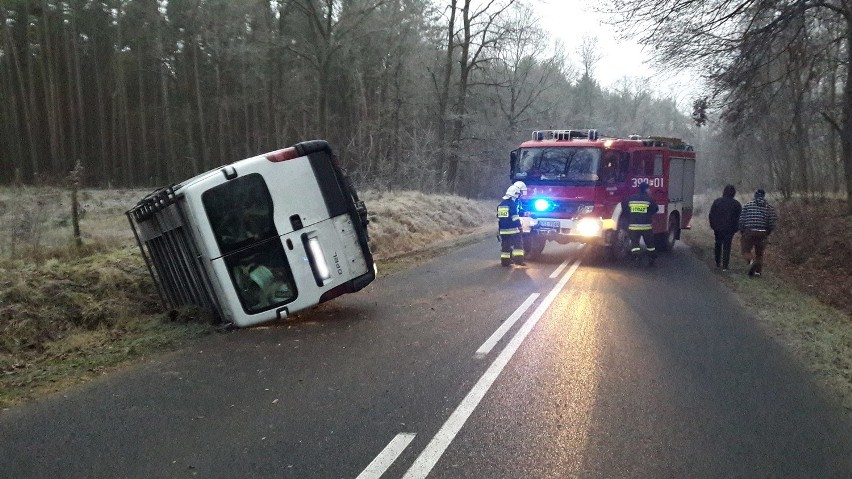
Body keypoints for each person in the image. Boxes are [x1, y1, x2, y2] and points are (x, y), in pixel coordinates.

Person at [739, 188, 778, 277]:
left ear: (755, 195)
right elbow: (772, 222)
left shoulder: (748, 205)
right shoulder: (769, 207)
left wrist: (742, 231)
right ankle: (758, 272)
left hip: (749, 231)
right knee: (759, 253)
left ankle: (751, 261)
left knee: (745, 250)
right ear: (764, 196)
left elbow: (741, 220)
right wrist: (767, 232)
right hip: (763, 232)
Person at [621, 182, 659, 266]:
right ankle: (652, 259)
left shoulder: (630, 198)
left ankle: (637, 257)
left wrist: (630, 215)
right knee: (650, 245)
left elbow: (623, 206)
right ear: (646, 189)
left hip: (633, 227)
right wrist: (648, 214)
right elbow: (655, 209)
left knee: (635, 244)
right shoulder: (649, 199)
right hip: (646, 227)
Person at [708, 184, 742, 271]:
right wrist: (736, 228)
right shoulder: (737, 204)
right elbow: (739, 218)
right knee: (727, 246)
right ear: (733, 193)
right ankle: (725, 266)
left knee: (718, 244)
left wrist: (713, 225)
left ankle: (717, 262)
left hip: (718, 228)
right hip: (730, 229)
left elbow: (711, 215)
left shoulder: (717, 202)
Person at [497, 181, 527, 267]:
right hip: (513, 230)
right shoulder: (512, 204)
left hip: (503, 231)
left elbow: (500, 218)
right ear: (514, 194)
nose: (518, 196)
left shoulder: (501, 204)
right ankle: (519, 261)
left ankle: (505, 262)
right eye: (518, 194)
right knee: (518, 246)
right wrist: (520, 226)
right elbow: (515, 217)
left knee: (505, 247)